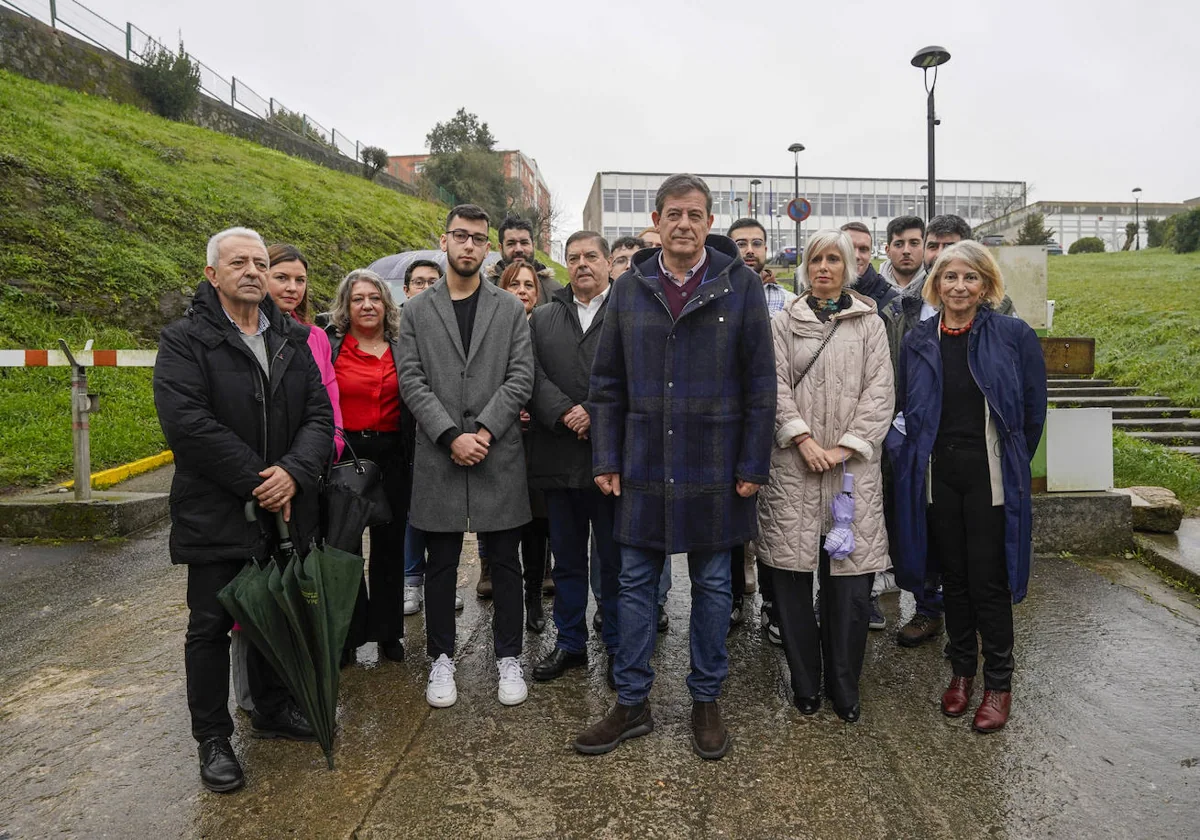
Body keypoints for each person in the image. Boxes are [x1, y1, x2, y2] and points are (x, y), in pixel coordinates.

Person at [575, 174, 775, 760]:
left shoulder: (740, 285)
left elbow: (762, 384)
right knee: (634, 583)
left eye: (695, 214)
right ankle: (631, 701)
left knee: (715, 585)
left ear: (709, 223)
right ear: (656, 221)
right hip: (643, 457)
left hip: (716, 462)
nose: (684, 224)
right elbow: (606, 383)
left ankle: (706, 700)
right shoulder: (630, 286)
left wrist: (752, 462)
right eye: (673, 214)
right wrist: (606, 457)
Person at [153, 226, 333, 793]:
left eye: (260, 261)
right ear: (213, 275)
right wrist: (262, 480)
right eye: (239, 263)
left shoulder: (292, 338)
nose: (254, 271)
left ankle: (273, 710)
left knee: (271, 615)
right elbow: (188, 425)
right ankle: (213, 738)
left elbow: (319, 418)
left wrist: (295, 473)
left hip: (284, 507)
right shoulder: (185, 340)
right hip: (218, 509)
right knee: (209, 625)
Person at [887, 241, 1046, 733]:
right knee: (952, 577)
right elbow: (902, 404)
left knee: (988, 582)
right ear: (936, 284)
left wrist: (1011, 460)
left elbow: (1031, 411)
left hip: (989, 475)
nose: (959, 286)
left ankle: (998, 683)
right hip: (939, 474)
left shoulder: (1012, 335)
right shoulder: (919, 338)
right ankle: (961, 674)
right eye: (950, 277)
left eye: (969, 277)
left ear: (986, 284)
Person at [398, 204, 535, 709]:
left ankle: (508, 657)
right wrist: (450, 434)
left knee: (505, 563)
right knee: (440, 564)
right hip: (440, 455)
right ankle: (441, 659)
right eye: (462, 236)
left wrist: (481, 431)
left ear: (488, 248)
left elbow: (521, 376)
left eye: (479, 238)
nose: (470, 245)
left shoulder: (508, 308)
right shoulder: (415, 311)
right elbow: (411, 379)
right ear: (445, 240)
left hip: (497, 452)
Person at [756, 229, 894, 723]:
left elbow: (880, 392)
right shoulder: (781, 323)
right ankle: (805, 682)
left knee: (850, 585)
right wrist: (803, 439)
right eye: (816, 259)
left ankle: (844, 684)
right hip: (794, 467)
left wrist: (844, 448)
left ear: (848, 268)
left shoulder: (869, 325)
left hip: (851, 473)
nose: (824, 268)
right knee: (792, 580)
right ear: (805, 266)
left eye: (834, 259)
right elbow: (771, 386)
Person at [881, 215, 1018, 647]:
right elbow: (901, 385)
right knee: (937, 547)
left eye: (952, 247)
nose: (944, 259)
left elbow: (1024, 405)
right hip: (930, 453)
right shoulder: (909, 314)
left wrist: (1008, 453)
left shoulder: (1002, 321)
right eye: (936, 247)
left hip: (981, 459)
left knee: (982, 563)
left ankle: (983, 647)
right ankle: (930, 612)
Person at [231, 243, 345, 713]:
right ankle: (252, 694)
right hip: (253, 479)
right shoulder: (238, 332)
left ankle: (290, 685)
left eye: (299, 280)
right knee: (250, 590)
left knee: (296, 584)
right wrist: (269, 475)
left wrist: (307, 467)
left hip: (304, 474)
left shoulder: (311, 337)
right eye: (282, 278)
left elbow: (326, 408)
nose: (291, 289)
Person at [528, 231, 621, 686]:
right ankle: (570, 643)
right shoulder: (543, 317)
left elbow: (636, 375)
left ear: (607, 263)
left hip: (611, 461)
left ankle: (620, 645)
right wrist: (566, 411)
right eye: (573, 257)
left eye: (590, 256)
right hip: (557, 455)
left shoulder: (628, 312)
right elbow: (529, 373)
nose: (582, 264)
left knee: (614, 560)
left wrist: (596, 412)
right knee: (565, 559)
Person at [327, 269, 411, 665]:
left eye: (374, 298)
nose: (367, 305)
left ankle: (388, 633)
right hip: (346, 455)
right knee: (345, 548)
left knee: (390, 548)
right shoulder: (331, 346)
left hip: (394, 454)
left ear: (386, 304)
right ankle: (349, 635)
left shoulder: (402, 346)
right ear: (346, 305)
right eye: (358, 298)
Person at [595, 235, 671, 635]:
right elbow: (606, 379)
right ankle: (615, 623)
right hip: (624, 445)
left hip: (670, 443)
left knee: (663, 547)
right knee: (616, 551)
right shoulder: (625, 297)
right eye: (619, 259)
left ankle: (656, 603)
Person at [726, 217, 795, 631]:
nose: (749, 250)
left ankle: (773, 604)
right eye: (740, 243)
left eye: (756, 243)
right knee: (734, 514)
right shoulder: (720, 292)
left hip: (777, 417)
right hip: (733, 419)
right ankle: (734, 595)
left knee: (774, 517)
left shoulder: (787, 300)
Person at [839, 222, 901, 631]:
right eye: (850, 248)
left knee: (866, 519)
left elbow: (891, 374)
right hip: (819, 436)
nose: (859, 256)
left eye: (864, 248)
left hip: (871, 430)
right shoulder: (805, 305)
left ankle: (868, 597)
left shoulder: (890, 306)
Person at [497, 261, 553, 631]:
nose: (522, 290)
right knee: (501, 530)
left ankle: (533, 597)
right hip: (501, 439)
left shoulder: (546, 328)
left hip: (539, 442)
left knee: (537, 526)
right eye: (514, 284)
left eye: (529, 284)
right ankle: (505, 599)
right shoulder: (495, 330)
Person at [401, 259, 444, 616]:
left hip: (441, 431)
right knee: (412, 513)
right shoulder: (398, 327)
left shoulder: (445, 324)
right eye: (419, 281)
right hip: (406, 432)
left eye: (433, 280)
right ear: (406, 289)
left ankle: (438, 582)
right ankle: (411, 580)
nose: (426, 286)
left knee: (437, 511)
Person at [879, 216, 926, 291]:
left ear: (924, 248)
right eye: (898, 244)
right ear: (888, 251)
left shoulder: (937, 288)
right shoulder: (872, 291)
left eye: (914, 243)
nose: (906, 251)